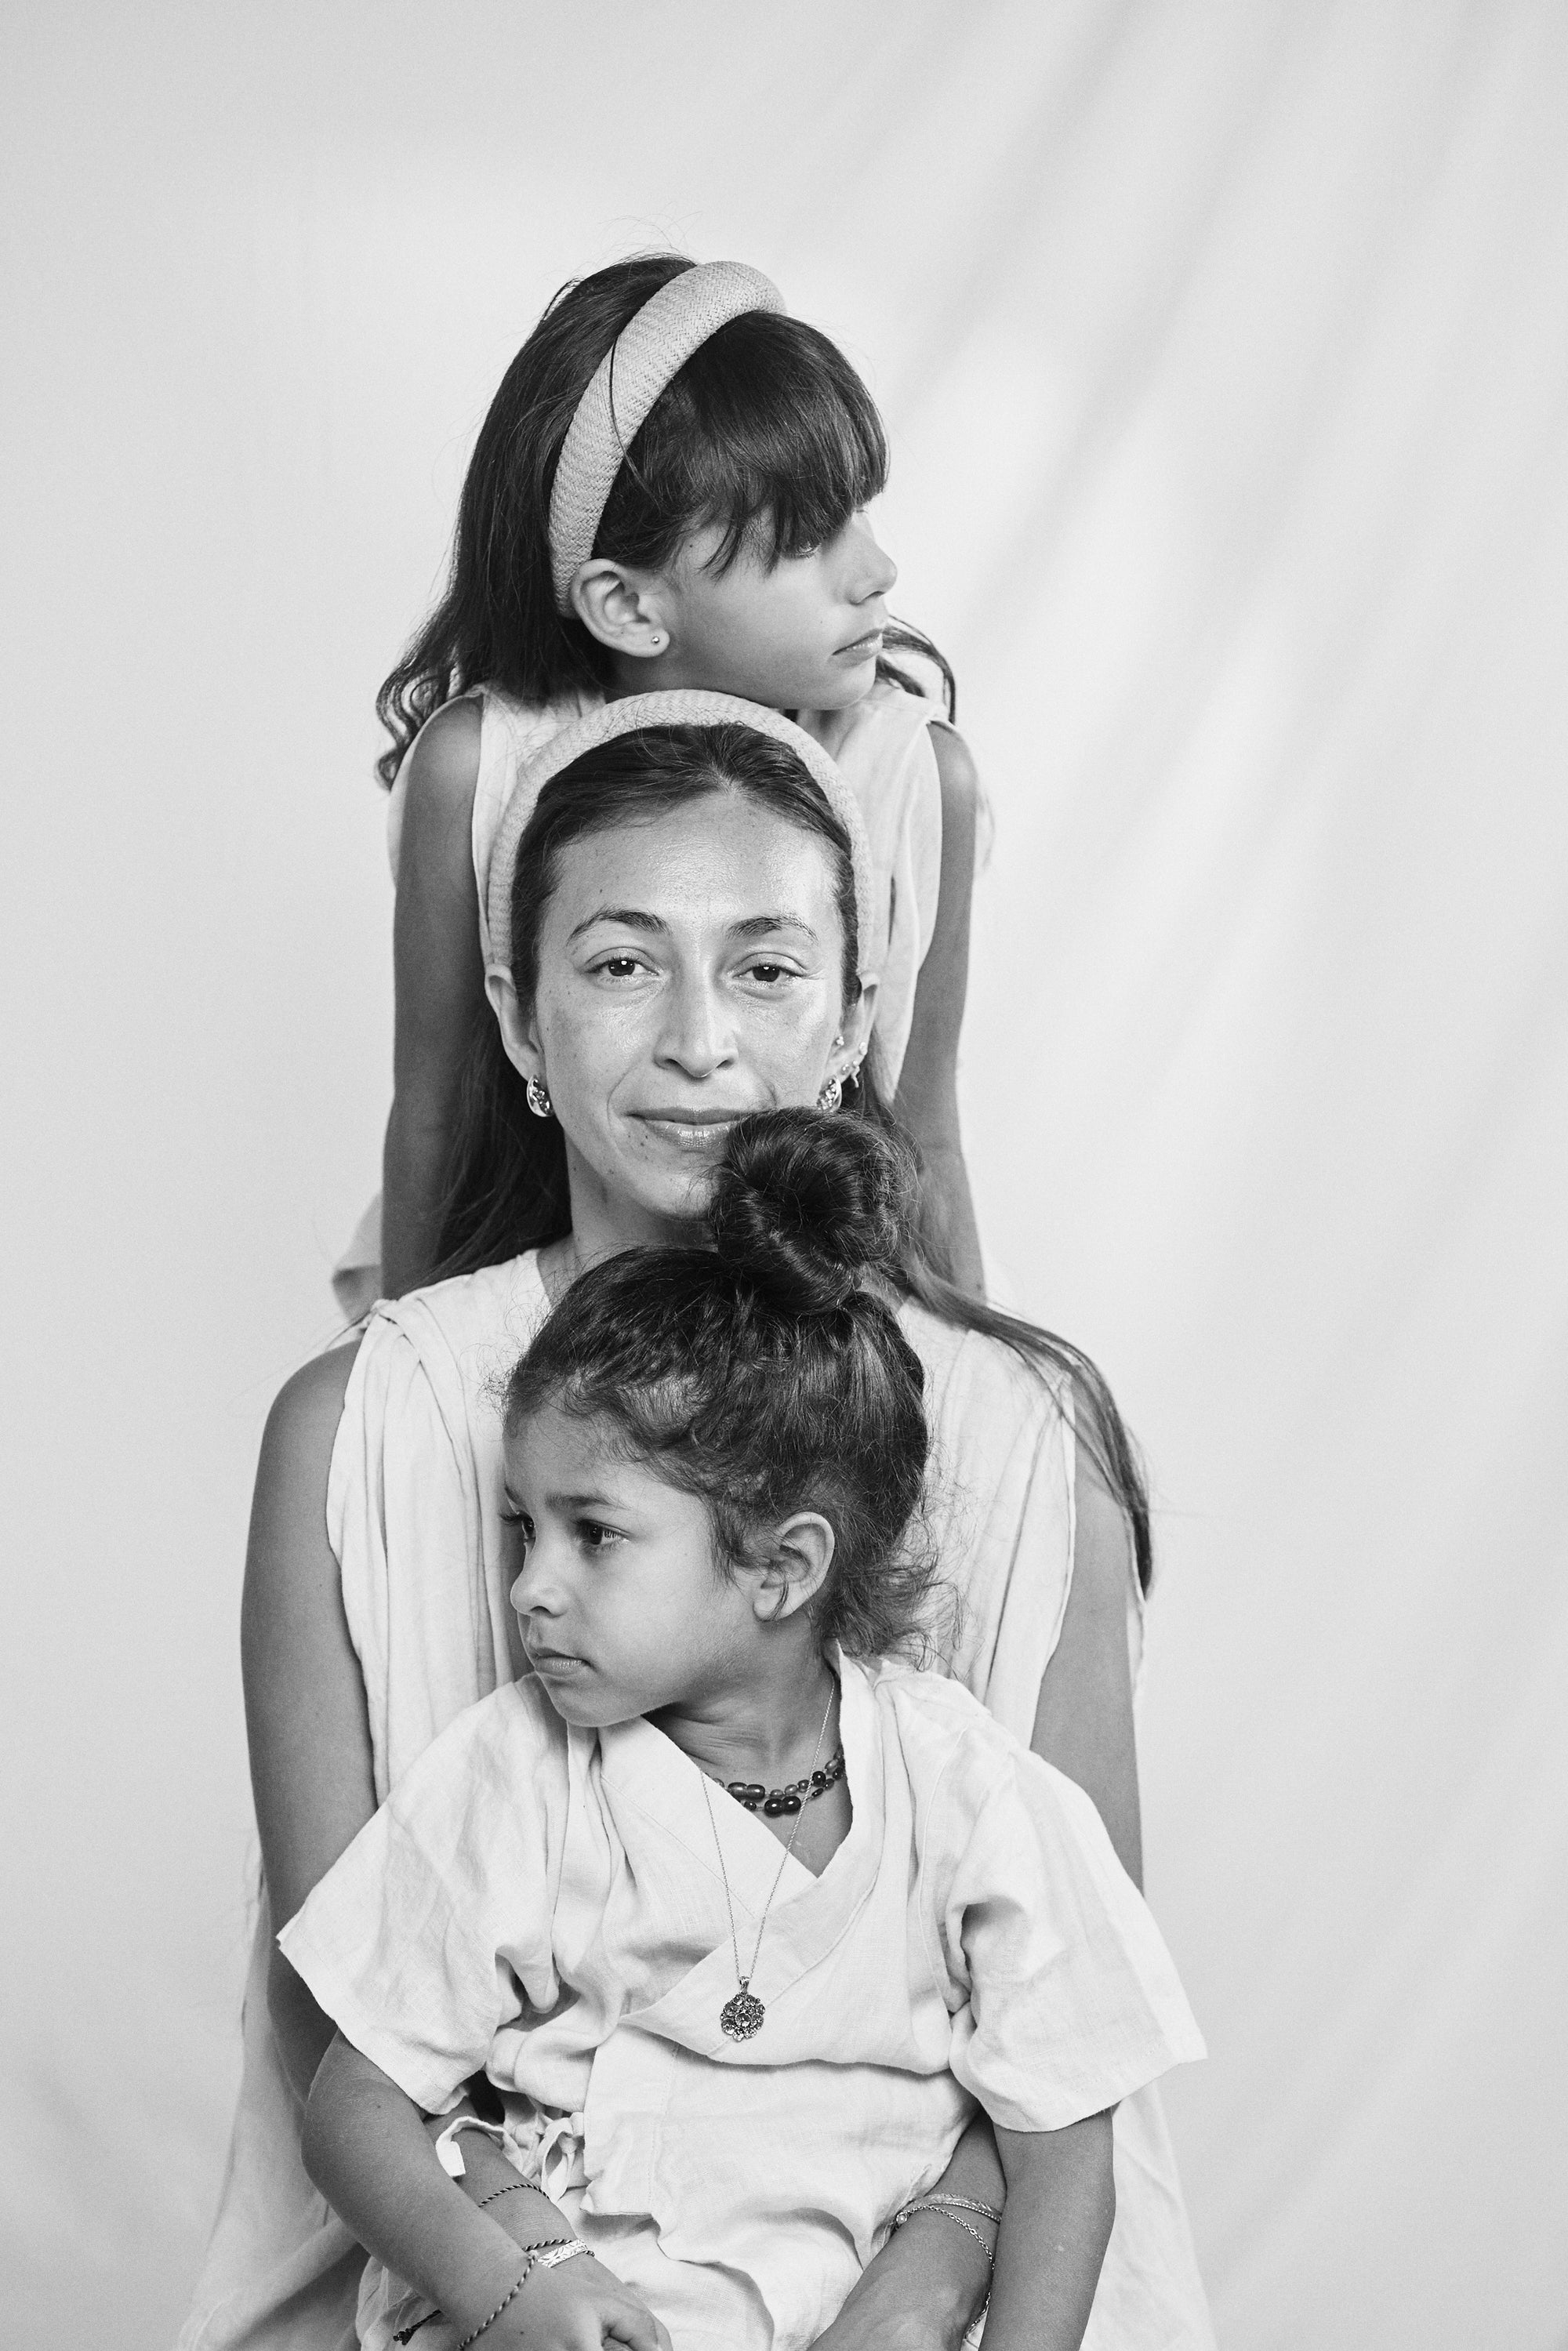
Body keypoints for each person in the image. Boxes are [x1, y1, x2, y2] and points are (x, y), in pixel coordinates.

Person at [180, 700, 1213, 2349]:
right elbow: (342, 2024)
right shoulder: (361, 1423)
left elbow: (1068, 2019)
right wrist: (541, 2278)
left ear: (854, 1011)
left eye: (766, 965)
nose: (697, 1042)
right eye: (618, 963)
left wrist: (920, 2279)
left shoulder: (1020, 1434)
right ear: (515, 1015)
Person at [284, 1108, 1204, 2351]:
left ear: (780, 1567)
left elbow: (1063, 2137)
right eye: (522, 1529)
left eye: (592, 1534)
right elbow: (353, 2105)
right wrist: (506, 2291)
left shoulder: (966, 1793)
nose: (531, 1588)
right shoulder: (519, 1776)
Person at [332, 252, 985, 1315]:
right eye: (808, 540)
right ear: (630, 607)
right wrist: (415, 1391)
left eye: (859, 514)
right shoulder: (480, 768)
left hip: (809, 1331)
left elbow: (927, 1129)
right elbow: (435, 1112)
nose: (875, 570)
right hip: (548, 1317)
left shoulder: (914, 776)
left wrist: (967, 1392)